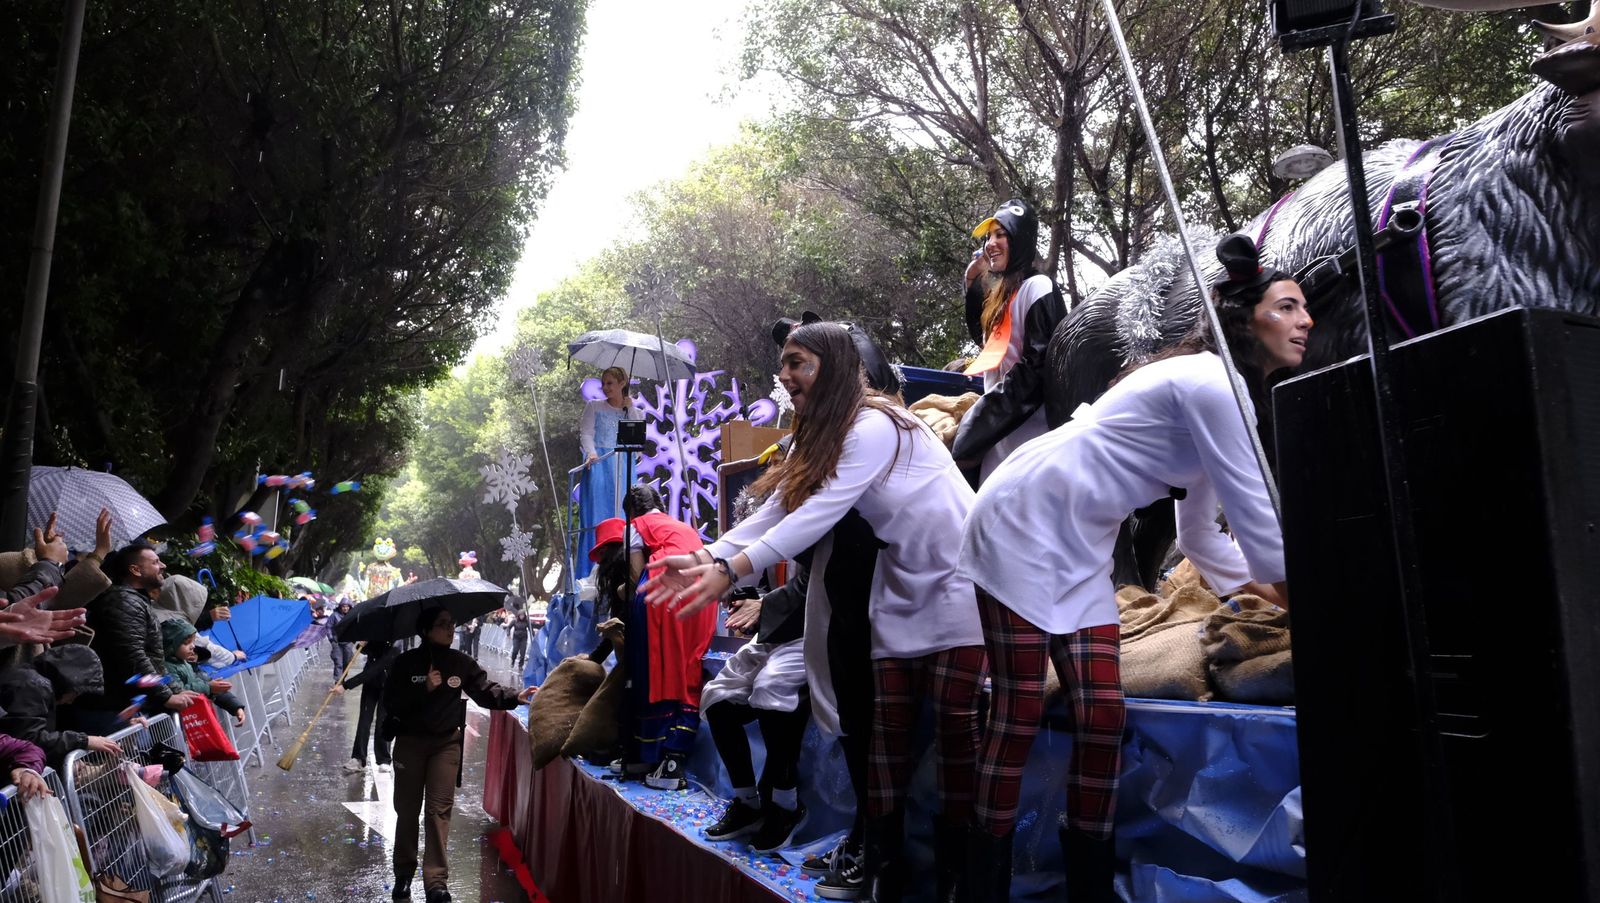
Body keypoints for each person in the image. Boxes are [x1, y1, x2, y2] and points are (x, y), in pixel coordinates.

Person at [956, 233, 1306, 902]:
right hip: (1022, 518)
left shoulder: (1225, 395)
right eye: (1287, 306)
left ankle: (1087, 886)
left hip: (1083, 545)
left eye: (1304, 308)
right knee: (1019, 710)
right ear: (1243, 318)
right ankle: (981, 889)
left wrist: (1274, 597)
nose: (1305, 320)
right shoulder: (1211, 381)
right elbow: (1263, 528)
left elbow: (1201, 539)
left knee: (1102, 715)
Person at [645, 322, 987, 902]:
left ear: (835, 366)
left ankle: (961, 886)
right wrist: (706, 555)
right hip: (898, 595)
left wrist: (732, 568)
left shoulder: (877, 424)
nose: (784, 374)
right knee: (882, 745)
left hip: (957, 589)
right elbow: (781, 507)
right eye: (783, 363)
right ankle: (881, 870)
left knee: (957, 745)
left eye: (797, 361)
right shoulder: (828, 433)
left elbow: (819, 512)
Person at [383, 606, 534, 902]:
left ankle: (436, 883)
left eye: (452, 623)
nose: (451, 629)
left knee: (438, 812)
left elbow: (485, 690)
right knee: (407, 811)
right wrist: (424, 689)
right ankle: (403, 875)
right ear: (426, 630)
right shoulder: (405, 662)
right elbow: (391, 702)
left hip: (446, 746)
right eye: (442, 624)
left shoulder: (460, 662)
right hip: (410, 744)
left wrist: (516, 696)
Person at [952, 198, 1068, 481]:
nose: (990, 243)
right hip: (999, 439)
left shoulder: (1037, 287)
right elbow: (988, 350)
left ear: (1020, 239)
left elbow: (1036, 371)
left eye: (1000, 234)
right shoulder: (1004, 294)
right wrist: (972, 281)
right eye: (988, 237)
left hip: (1032, 440)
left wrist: (979, 423)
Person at [77, 543, 203, 732]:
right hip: (109, 706)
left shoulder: (133, 600)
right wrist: (165, 696)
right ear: (135, 570)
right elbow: (133, 655)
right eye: (155, 562)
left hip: (120, 702)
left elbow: (152, 658)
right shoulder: (124, 601)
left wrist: (174, 690)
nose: (163, 566)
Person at [0, 644, 122, 769]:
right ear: (70, 682)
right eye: (75, 693)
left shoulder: (37, 684)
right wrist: (83, 741)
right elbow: (28, 739)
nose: (71, 701)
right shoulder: (33, 686)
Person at [577, 366, 643, 577]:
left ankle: (623, 571)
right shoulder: (594, 406)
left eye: (610, 383)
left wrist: (629, 409)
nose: (605, 388)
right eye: (603, 383)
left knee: (623, 516)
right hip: (600, 466)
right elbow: (586, 433)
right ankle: (591, 573)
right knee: (598, 516)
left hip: (624, 466)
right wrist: (592, 453)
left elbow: (637, 442)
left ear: (622, 384)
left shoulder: (634, 411)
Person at [159, 619, 247, 727]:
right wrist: (208, 687)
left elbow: (208, 684)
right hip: (177, 724)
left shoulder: (187, 664)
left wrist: (236, 707)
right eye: (186, 643)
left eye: (193, 642)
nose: (193, 646)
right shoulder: (167, 667)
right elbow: (179, 691)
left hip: (192, 721)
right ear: (171, 647)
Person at [335, 639, 401, 772]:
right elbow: (370, 653)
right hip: (371, 683)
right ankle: (358, 757)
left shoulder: (397, 643)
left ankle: (384, 759)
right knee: (364, 719)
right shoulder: (374, 635)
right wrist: (362, 645)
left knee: (383, 720)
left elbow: (376, 668)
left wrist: (346, 685)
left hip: (389, 685)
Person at [329, 599, 356, 679]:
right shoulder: (334, 615)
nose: (345, 608)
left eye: (347, 606)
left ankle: (342, 678)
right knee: (338, 662)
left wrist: (354, 639)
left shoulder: (352, 615)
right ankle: (338, 680)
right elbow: (328, 627)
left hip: (348, 642)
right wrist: (331, 638)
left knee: (347, 662)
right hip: (336, 642)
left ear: (349, 607)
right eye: (343, 606)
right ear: (340, 607)